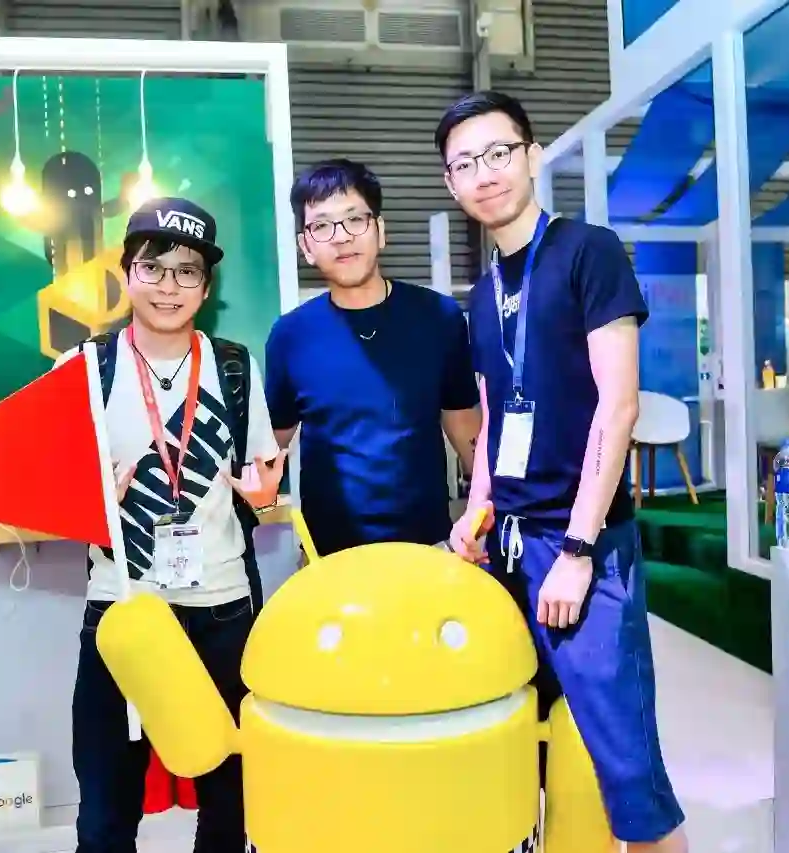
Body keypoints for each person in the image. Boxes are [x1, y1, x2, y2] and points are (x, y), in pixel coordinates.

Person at [438, 92, 688, 851]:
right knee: (522, 740)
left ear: (532, 155)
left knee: (628, 773)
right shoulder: (483, 294)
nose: (484, 173)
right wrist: (477, 507)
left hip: (580, 548)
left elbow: (619, 406)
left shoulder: (589, 252)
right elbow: (493, 416)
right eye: (464, 163)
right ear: (450, 183)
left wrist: (578, 551)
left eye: (498, 153)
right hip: (508, 548)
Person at [56, 197, 285, 853]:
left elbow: (260, 476)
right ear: (126, 273)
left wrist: (264, 496)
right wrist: (85, 500)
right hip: (123, 608)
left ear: (206, 287)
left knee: (229, 797)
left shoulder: (234, 366)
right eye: (152, 267)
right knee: (106, 803)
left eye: (187, 271)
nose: (168, 285)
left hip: (222, 607)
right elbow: (49, 490)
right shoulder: (83, 368)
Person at [265, 159, 481, 555]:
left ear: (380, 230)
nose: (342, 237)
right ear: (306, 247)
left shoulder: (440, 318)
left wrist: (487, 508)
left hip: (428, 549)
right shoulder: (290, 336)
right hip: (329, 559)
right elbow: (270, 446)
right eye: (322, 226)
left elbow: (464, 424)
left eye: (354, 219)